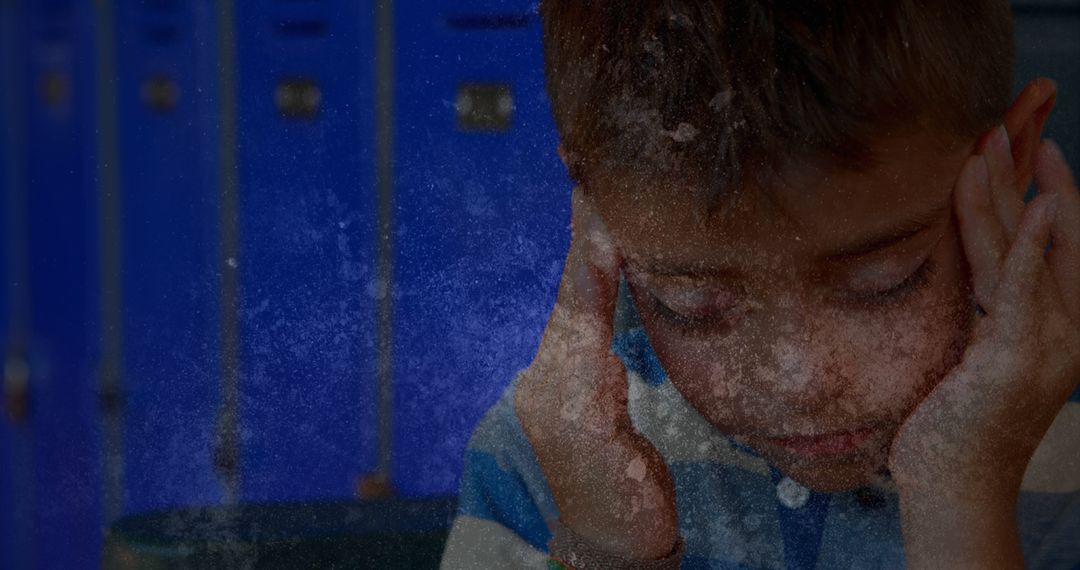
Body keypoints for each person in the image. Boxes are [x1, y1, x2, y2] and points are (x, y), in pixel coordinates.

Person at [440, 1, 1080, 568]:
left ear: (1010, 153)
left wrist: (960, 503)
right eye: (693, 305)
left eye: (885, 282)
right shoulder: (549, 462)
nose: (801, 380)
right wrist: (607, 553)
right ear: (596, 208)